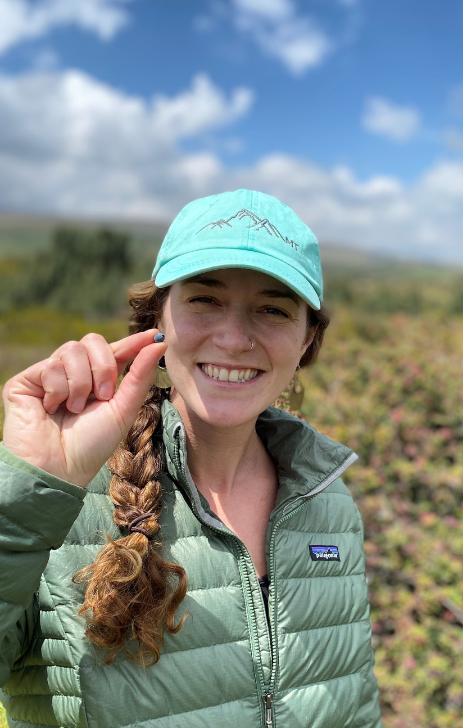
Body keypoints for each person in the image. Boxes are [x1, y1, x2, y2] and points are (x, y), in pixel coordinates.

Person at [0, 190, 383, 728]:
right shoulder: (62, 496)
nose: (232, 338)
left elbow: (355, 706)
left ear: (307, 340)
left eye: (273, 309)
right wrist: (23, 496)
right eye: (204, 300)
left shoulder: (328, 501)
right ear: (156, 317)